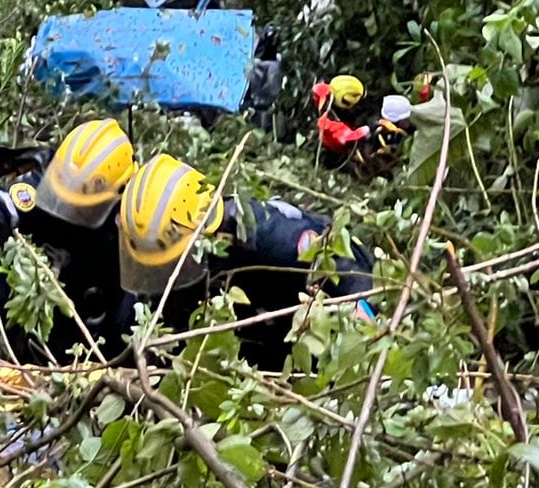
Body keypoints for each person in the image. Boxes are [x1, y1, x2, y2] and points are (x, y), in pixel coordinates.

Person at [114, 154, 373, 369]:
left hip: (299, 316)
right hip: (247, 331)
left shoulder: (269, 235)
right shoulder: (164, 266)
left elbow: (348, 275)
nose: (164, 273)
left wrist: (366, 329)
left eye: (172, 264)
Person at [0, 119, 135, 361]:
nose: (71, 209)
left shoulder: (130, 215)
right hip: (33, 307)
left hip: (93, 310)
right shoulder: (46, 179)